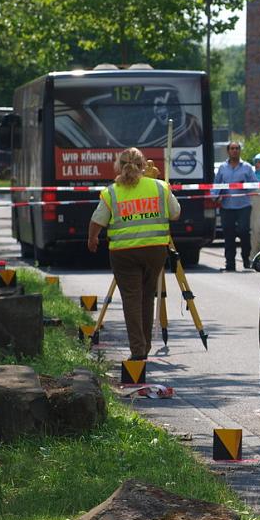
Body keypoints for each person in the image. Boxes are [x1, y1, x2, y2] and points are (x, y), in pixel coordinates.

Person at [87, 147, 180, 360]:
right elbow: (175, 214)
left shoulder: (112, 192)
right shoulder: (160, 187)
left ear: (119, 166)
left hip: (124, 254)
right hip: (155, 251)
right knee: (147, 297)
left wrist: (92, 238)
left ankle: (138, 351)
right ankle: (144, 346)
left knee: (131, 299)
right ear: (145, 165)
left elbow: (97, 220)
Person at [215, 141, 257, 271]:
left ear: (240, 151)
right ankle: (230, 263)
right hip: (227, 206)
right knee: (228, 235)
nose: (234, 151)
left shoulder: (247, 167)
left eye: (237, 148)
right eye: (232, 148)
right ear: (228, 151)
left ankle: (246, 259)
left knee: (244, 232)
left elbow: (255, 185)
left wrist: (245, 186)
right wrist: (215, 196)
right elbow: (216, 184)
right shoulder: (222, 168)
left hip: (243, 206)